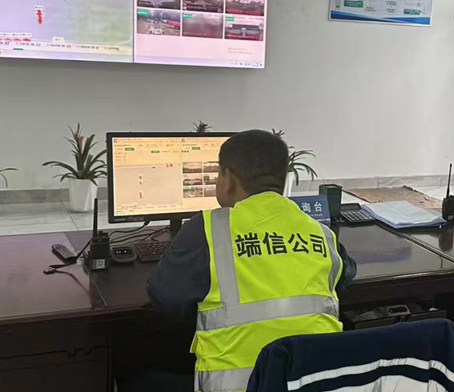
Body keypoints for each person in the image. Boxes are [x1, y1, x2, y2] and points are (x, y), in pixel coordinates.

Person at [147, 129, 357, 392]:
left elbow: (164, 297)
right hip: (315, 385)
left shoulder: (208, 229)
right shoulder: (320, 232)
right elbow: (345, 275)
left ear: (228, 178)